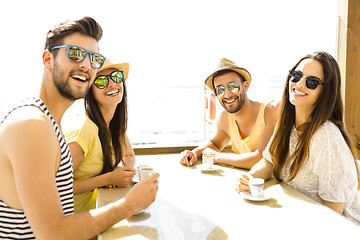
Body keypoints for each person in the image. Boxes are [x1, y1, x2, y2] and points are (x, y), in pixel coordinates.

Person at [0, 17, 159, 240]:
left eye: (94, 58)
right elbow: (53, 234)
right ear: (48, 59)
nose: (86, 64)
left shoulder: (48, 124)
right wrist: (129, 205)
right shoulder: (31, 125)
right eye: (74, 53)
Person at [236, 51, 360, 223]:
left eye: (312, 82)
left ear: (326, 92)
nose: (300, 83)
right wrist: (251, 179)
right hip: (297, 215)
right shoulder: (286, 122)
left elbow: (334, 212)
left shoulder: (326, 136)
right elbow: (269, 162)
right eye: (296, 75)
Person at [180, 58, 278, 169]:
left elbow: (261, 159)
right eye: (220, 89)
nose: (227, 94)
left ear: (245, 86)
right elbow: (215, 144)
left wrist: (218, 157)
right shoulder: (225, 118)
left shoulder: (271, 111)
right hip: (247, 181)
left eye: (233, 86)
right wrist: (194, 153)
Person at [65, 58, 136, 213]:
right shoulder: (83, 131)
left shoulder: (113, 123)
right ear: (89, 91)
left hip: (97, 212)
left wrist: (121, 170)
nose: (111, 84)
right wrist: (108, 178)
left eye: (116, 77)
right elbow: (56, 187)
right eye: (101, 81)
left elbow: (129, 155)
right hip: (71, 222)